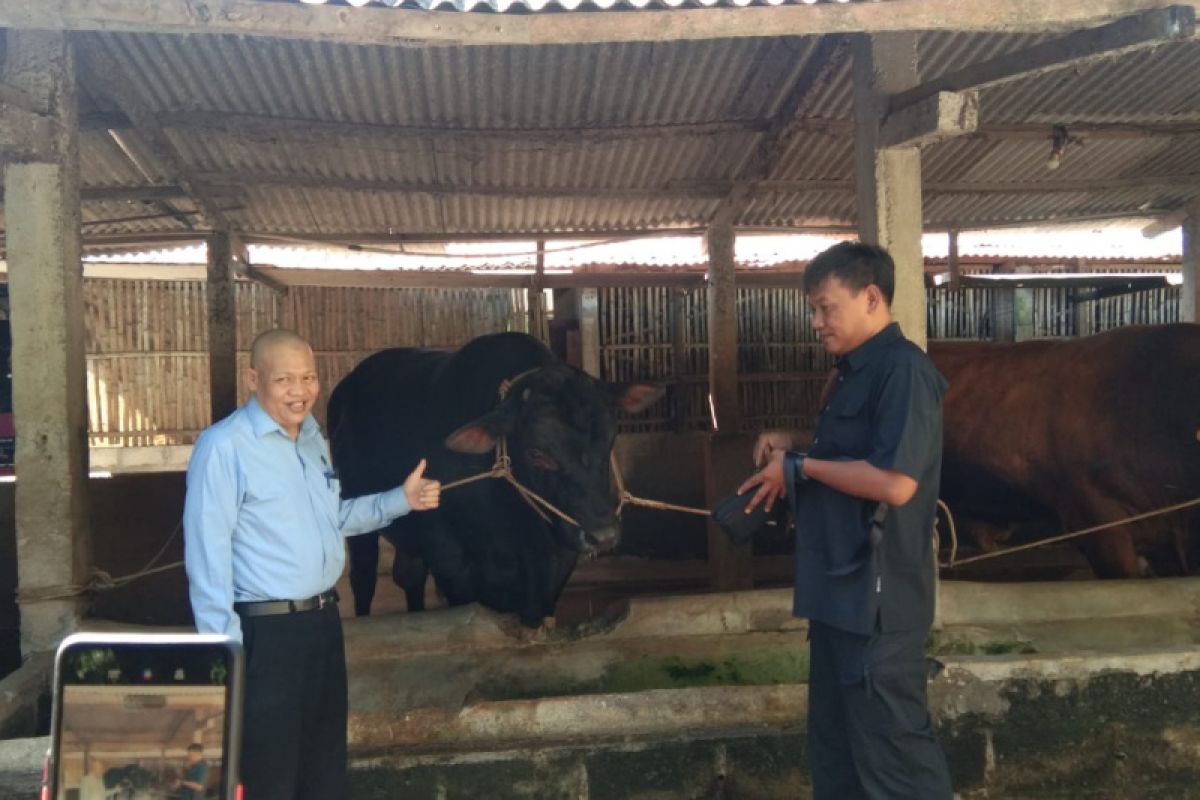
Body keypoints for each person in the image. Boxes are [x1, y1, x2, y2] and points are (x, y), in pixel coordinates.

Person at [184, 329, 441, 800]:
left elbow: (336, 517)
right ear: (253, 379)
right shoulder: (224, 448)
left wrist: (399, 501)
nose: (299, 391)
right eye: (284, 379)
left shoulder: (312, 441)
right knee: (268, 771)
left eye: (308, 378)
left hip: (323, 623)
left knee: (322, 766)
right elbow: (207, 556)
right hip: (265, 635)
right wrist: (225, 656)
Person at [739, 242, 953, 799]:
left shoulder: (904, 371)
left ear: (872, 297)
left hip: (878, 603)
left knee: (894, 757)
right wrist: (797, 446)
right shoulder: (852, 373)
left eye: (825, 307)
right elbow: (852, 454)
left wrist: (800, 466)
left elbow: (895, 482)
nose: (816, 322)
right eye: (813, 309)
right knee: (836, 755)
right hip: (837, 593)